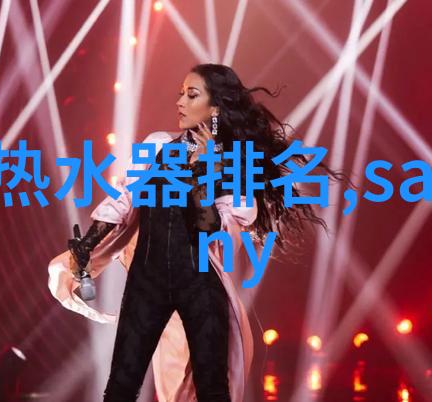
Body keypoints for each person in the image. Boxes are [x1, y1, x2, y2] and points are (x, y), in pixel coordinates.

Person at [47, 63, 351, 401]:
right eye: (181, 93)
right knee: (120, 388)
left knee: (212, 391)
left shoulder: (233, 170)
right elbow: (124, 201)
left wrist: (205, 168)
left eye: (191, 95)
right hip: (146, 282)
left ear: (215, 108)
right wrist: (87, 245)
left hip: (200, 285)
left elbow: (208, 226)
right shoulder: (158, 146)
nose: (179, 102)